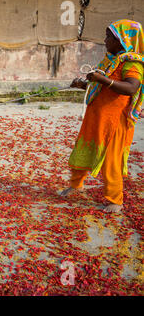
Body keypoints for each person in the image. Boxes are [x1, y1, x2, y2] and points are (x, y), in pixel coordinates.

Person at [61, 19, 143, 213]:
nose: (105, 40)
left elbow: (131, 88)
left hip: (114, 123)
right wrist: (84, 84)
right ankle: (76, 185)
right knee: (82, 151)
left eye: (109, 37)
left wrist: (104, 80)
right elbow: (99, 85)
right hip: (95, 119)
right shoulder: (110, 60)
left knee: (111, 161)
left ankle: (115, 200)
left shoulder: (132, 63)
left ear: (123, 40)